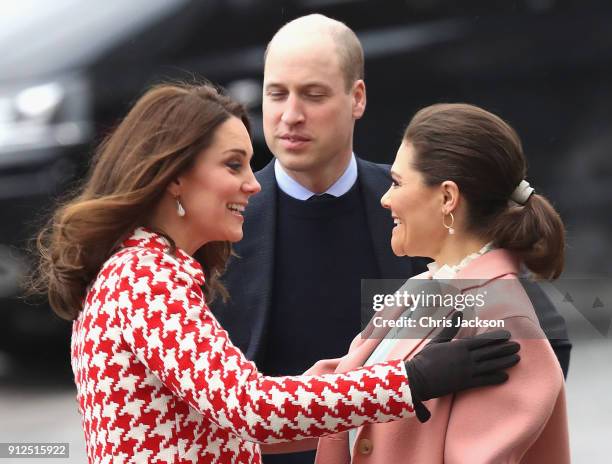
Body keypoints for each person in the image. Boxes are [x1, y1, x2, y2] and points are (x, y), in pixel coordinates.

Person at [29, 84, 521, 464]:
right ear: (174, 175)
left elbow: (226, 424)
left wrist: (344, 391)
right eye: (233, 165)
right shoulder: (146, 277)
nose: (253, 184)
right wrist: (410, 381)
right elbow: (250, 408)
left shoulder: (141, 267)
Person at [212, 11, 570, 431]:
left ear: (357, 98)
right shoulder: (217, 220)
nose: (291, 115)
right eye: (276, 94)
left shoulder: (419, 207)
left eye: (313, 95)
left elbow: (544, 339)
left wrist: (467, 438)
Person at [305, 103, 570, 463]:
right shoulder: (422, 285)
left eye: (397, 182)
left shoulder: (503, 319)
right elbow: (328, 391)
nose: (385, 198)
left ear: (447, 198)